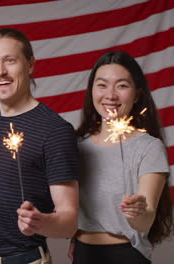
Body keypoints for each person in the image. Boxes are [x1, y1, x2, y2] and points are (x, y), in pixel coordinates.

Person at [0, 28, 79, 263]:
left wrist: (41, 222)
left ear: (30, 64)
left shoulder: (55, 130)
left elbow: (69, 223)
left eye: (10, 61)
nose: (0, 72)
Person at [71, 51, 173, 263]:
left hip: (126, 255)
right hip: (83, 254)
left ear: (136, 95)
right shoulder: (76, 145)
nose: (111, 95)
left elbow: (145, 221)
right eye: (102, 85)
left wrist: (137, 211)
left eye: (122, 85)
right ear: (91, 91)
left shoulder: (149, 148)